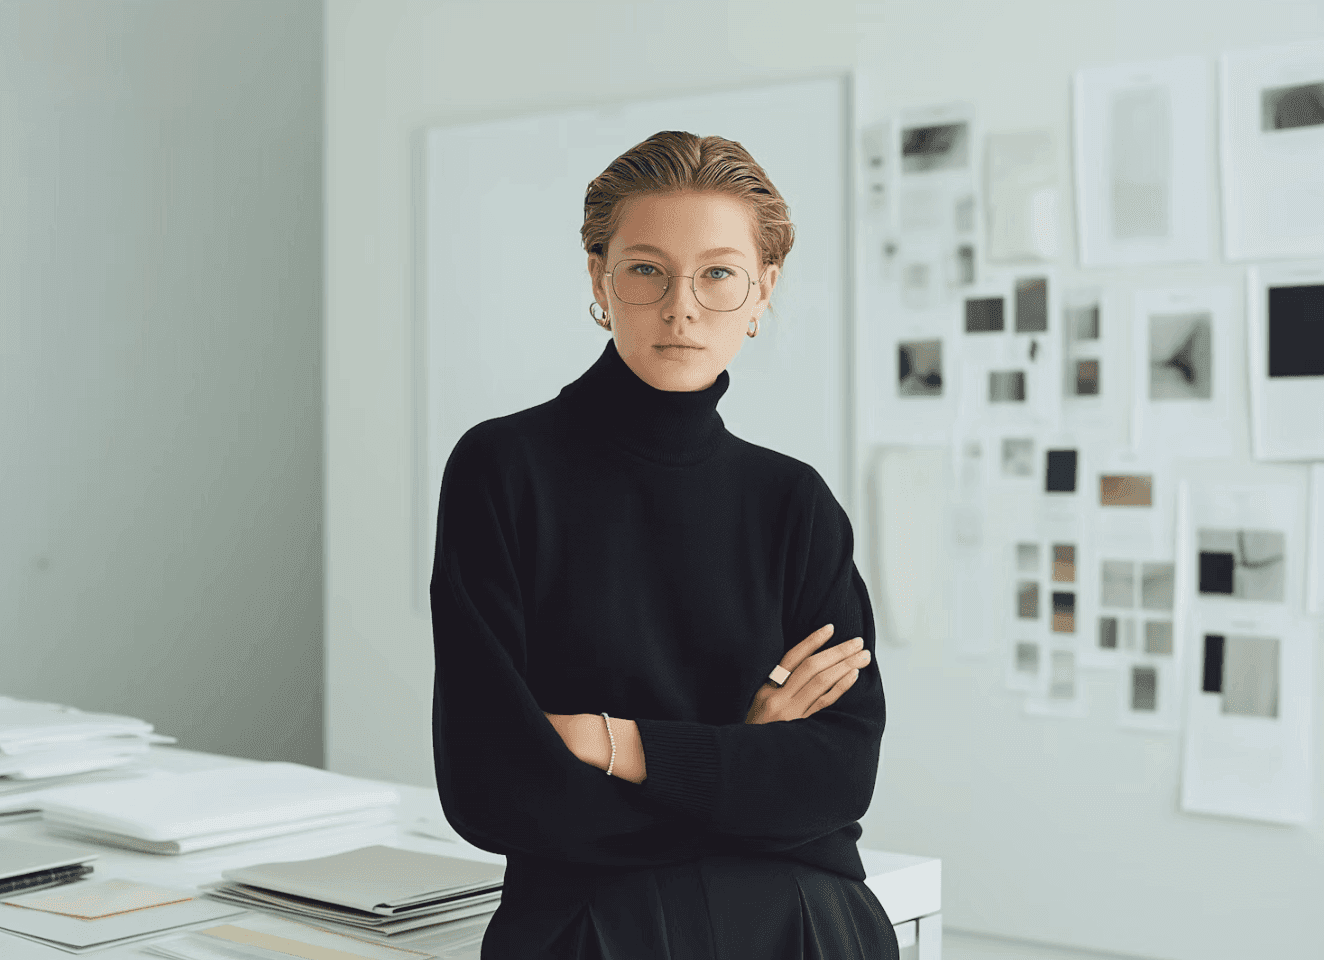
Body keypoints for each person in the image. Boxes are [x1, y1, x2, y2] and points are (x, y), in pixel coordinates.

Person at [431, 130, 898, 960]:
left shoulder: (795, 502)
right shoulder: (502, 470)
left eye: (718, 273)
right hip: (590, 928)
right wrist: (745, 755)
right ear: (599, 280)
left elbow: (835, 777)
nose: (682, 305)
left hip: (806, 927)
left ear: (762, 293)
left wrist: (610, 742)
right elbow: (492, 786)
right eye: (647, 268)